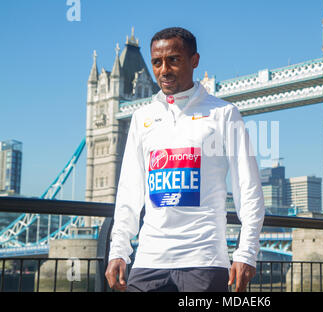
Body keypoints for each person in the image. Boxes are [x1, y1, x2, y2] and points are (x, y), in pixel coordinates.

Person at [105, 27, 265, 292]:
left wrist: (246, 252)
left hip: (204, 261)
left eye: (174, 60)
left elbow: (248, 190)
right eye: (157, 62)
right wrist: (118, 250)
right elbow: (128, 194)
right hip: (148, 260)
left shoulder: (224, 114)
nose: (164, 69)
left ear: (194, 61)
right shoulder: (141, 118)